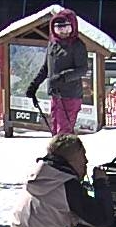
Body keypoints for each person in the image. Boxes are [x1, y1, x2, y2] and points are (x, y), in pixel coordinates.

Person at [1, 133, 104, 227]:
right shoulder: (66, 184)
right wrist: (102, 184)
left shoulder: (39, 176)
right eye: (83, 156)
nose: (86, 161)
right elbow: (102, 219)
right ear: (73, 158)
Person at [24, 9, 89, 137]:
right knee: (55, 128)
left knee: (64, 131)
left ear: (73, 27)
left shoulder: (77, 45)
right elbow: (46, 68)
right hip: (56, 95)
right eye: (59, 29)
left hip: (70, 95)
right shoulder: (53, 44)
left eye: (67, 28)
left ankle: (64, 149)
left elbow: (82, 69)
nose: (63, 32)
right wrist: (34, 86)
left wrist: (63, 77)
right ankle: (57, 149)